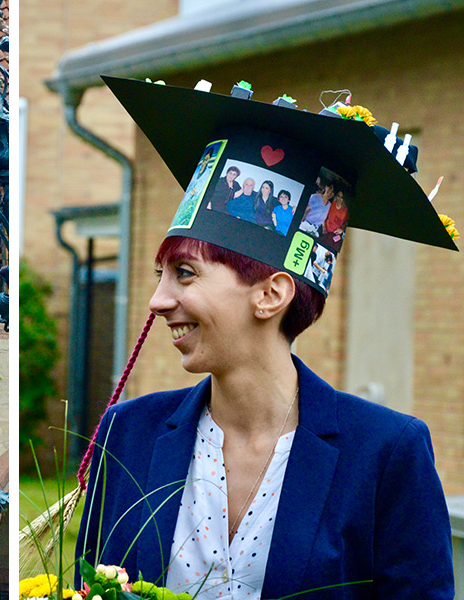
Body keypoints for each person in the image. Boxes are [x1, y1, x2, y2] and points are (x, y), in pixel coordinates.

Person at [77, 77, 456, 600]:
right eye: (159, 275)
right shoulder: (127, 436)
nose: (158, 301)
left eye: (185, 274)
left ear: (271, 295)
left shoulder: (386, 454)